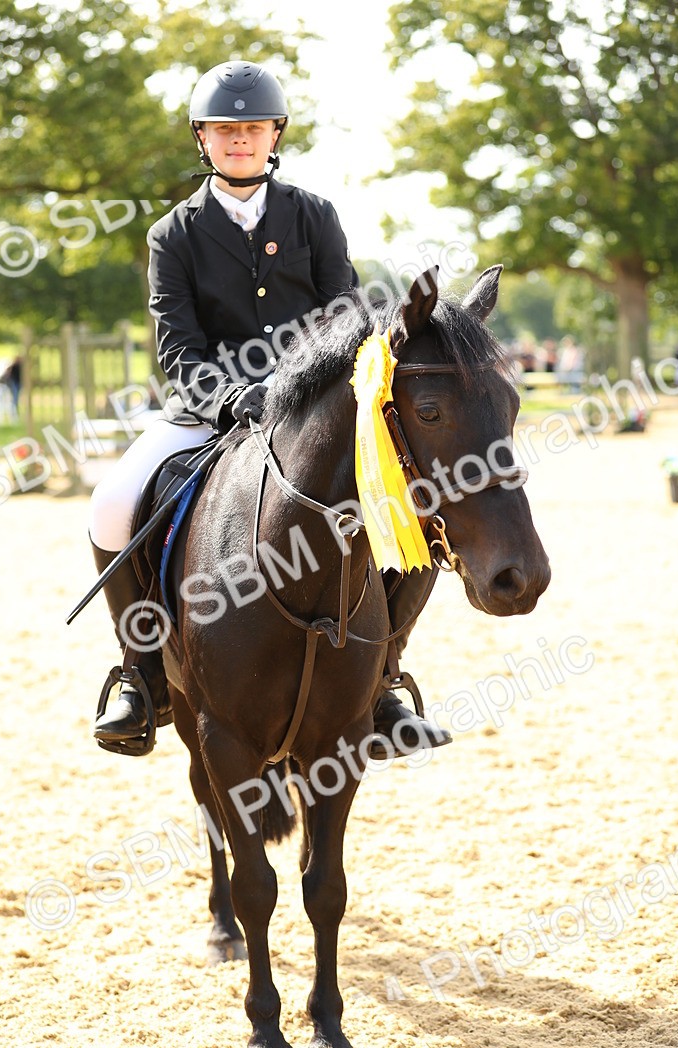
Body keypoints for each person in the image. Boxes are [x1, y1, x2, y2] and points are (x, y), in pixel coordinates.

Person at [87, 60, 450, 758]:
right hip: (208, 410)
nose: (240, 140)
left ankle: (383, 680)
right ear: (203, 139)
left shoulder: (313, 215)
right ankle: (140, 677)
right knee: (111, 502)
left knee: (413, 513)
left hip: (313, 412)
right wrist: (229, 398)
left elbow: (346, 317)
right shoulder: (174, 234)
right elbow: (178, 343)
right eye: (226, 130)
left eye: (252, 128)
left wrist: (317, 393)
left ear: (274, 133)